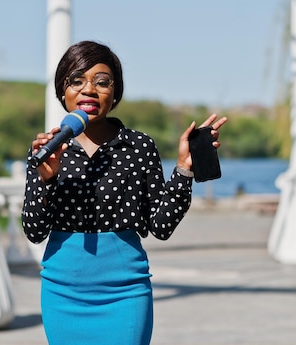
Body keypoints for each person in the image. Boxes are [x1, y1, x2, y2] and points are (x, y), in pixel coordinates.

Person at [22, 40, 227, 345]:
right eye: (76, 81)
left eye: (102, 82)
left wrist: (184, 168)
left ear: (114, 93)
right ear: (61, 91)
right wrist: (46, 180)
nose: (89, 89)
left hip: (124, 292)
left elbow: (161, 226)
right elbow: (34, 231)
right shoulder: (46, 149)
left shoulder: (139, 146)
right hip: (62, 293)